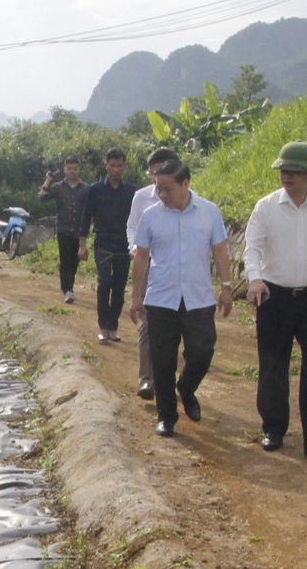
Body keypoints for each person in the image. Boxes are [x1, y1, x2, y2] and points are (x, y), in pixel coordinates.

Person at [244, 141, 307, 459]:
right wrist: (255, 278)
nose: (286, 175)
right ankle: (273, 428)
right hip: (275, 297)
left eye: (294, 171)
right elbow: (252, 248)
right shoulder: (266, 206)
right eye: (283, 170)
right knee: (273, 365)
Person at [128, 151, 232, 436]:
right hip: (161, 298)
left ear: (185, 184)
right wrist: (136, 296)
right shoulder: (150, 217)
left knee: (202, 350)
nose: (161, 194)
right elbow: (141, 258)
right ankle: (166, 415)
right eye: (158, 188)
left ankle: (186, 387)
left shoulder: (209, 212)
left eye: (167, 189)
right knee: (162, 360)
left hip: (198, 298)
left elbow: (220, 250)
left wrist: (226, 286)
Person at [77, 148, 136, 343]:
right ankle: (103, 327)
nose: (116, 169)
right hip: (102, 242)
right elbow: (86, 217)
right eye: (112, 165)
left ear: (124, 166)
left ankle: (113, 326)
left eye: (119, 165)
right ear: (106, 166)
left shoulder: (132, 191)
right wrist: (82, 244)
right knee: (104, 284)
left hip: (124, 244)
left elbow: (137, 221)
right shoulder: (95, 190)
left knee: (119, 286)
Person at [125, 168, 165, 398]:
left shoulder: (191, 203)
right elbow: (132, 227)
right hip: (147, 261)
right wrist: (135, 247)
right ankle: (147, 379)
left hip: (174, 272)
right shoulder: (142, 198)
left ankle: (168, 378)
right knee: (147, 321)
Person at [39, 155, 89, 303]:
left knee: (75, 261)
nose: (72, 171)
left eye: (75, 168)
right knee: (65, 260)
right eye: (69, 168)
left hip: (80, 232)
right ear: (64, 170)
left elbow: (93, 209)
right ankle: (67, 289)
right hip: (63, 229)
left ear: (79, 170)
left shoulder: (87, 189)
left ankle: (69, 287)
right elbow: (42, 197)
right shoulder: (58, 187)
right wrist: (49, 179)